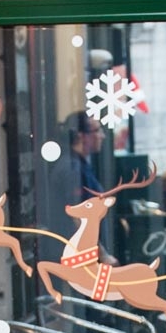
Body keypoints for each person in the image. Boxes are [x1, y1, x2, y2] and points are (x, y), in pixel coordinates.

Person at [39, 111, 116, 265]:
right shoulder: (72, 168)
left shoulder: (80, 165)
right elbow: (79, 217)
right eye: (97, 130)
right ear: (81, 136)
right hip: (77, 258)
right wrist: (102, 255)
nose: (102, 136)